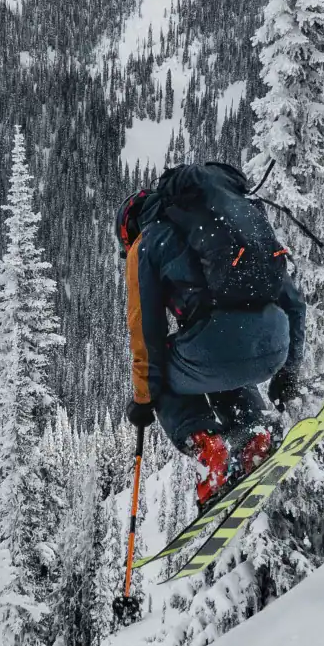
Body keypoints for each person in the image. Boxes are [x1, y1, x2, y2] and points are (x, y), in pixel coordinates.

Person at [116, 165, 307, 506]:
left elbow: (146, 330)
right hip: (275, 346)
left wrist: (145, 399)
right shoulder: (227, 227)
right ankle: (254, 435)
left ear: (129, 229)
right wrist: (289, 370)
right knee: (213, 359)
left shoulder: (147, 242)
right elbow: (293, 300)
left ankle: (207, 447)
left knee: (163, 377)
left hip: (218, 348)